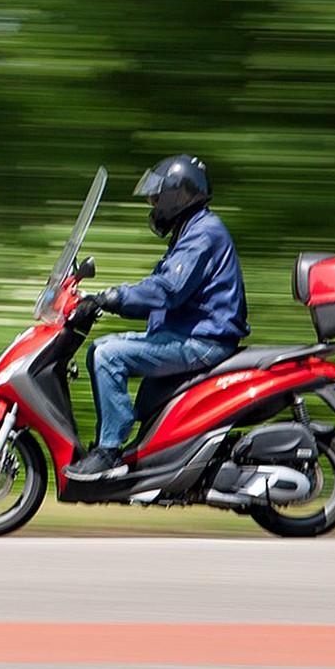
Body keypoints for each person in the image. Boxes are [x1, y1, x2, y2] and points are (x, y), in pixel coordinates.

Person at [63, 154, 249, 481]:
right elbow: (162, 296)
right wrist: (102, 301)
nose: (152, 204)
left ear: (177, 195)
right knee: (133, 380)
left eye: (156, 196)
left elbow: (167, 291)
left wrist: (112, 298)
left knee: (106, 354)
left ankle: (109, 452)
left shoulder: (203, 234)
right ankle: (142, 461)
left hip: (203, 340)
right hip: (191, 334)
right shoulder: (190, 231)